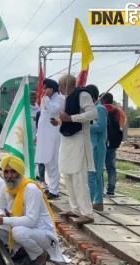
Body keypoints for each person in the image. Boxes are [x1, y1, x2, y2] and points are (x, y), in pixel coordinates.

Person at [0, 155, 64, 265]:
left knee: (18, 232)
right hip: (22, 229)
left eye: (13, 172)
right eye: (6, 172)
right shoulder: (6, 187)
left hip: (42, 234)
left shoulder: (31, 189)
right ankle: (21, 249)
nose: (9, 176)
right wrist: (0, 214)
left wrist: (3, 220)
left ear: (20, 172)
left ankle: (40, 255)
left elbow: (31, 221)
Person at [54, 74, 97, 225]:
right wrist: (59, 121)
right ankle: (75, 209)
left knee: (79, 177)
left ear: (66, 85)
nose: (58, 89)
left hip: (78, 138)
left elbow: (93, 113)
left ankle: (87, 213)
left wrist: (70, 118)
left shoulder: (83, 94)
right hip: (67, 140)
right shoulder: (68, 98)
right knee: (67, 174)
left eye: (59, 85)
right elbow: (66, 117)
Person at [35, 78, 65, 199]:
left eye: (46, 88)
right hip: (44, 135)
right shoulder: (46, 99)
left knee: (53, 161)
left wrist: (46, 98)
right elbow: (43, 117)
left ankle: (54, 190)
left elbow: (54, 110)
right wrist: (38, 135)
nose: (44, 90)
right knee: (46, 161)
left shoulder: (60, 99)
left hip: (53, 135)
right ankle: (51, 187)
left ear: (52, 88)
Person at [87, 85, 107, 211]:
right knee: (97, 175)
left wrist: (85, 125)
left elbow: (101, 127)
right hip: (92, 145)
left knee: (93, 175)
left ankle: (88, 202)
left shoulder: (100, 109)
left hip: (97, 146)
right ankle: (98, 201)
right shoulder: (93, 108)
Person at [101, 92, 125, 196]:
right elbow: (122, 124)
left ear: (103, 100)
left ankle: (100, 189)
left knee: (99, 166)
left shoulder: (100, 109)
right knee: (111, 167)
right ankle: (111, 189)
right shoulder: (118, 110)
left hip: (102, 141)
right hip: (113, 143)